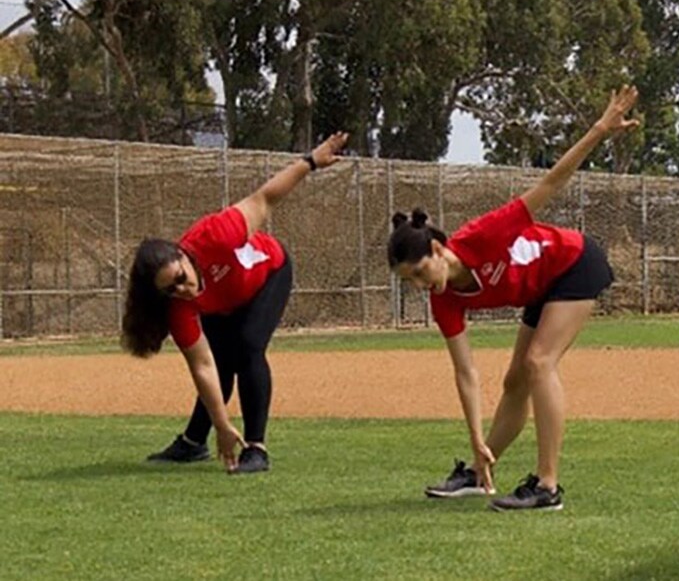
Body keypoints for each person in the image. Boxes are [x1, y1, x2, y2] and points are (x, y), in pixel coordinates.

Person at [387, 86, 638, 511]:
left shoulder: (482, 234)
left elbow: (551, 182)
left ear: (436, 250)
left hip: (575, 262)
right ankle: (477, 469)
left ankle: (548, 486)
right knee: (514, 381)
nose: (418, 286)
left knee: (539, 363)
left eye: (417, 273)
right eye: (407, 282)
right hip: (542, 287)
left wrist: (599, 129)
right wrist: (475, 439)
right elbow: (465, 373)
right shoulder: (444, 298)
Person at [122, 132, 350, 473]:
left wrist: (311, 161)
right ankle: (194, 442)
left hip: (268, 274)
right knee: (220, 362)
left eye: (181, 277)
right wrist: (223, 426)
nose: (182, 289)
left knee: (247, 347)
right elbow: (203, 367)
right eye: (171, 289)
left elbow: (266, 198)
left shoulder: (216, 234)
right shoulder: (179, 308)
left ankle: (256, 449)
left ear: (183, 255)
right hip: (223, 302)